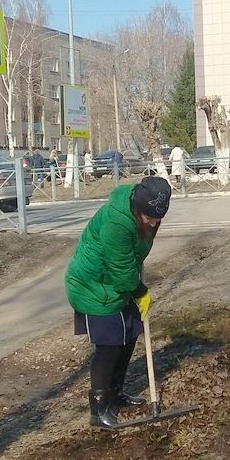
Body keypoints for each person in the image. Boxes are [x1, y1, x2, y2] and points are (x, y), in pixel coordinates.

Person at [65, 176, 172, 429]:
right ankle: (99, 409)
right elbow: (122, 271)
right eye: (149, 217)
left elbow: (130, 259)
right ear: (137, 209)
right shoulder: (116, 223)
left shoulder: (145, 214)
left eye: (158, 218)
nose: (154, 222)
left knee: (129, 334)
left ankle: (116, 394)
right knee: (109, 346)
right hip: (94, 286)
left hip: (117, 284)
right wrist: (141, 292)